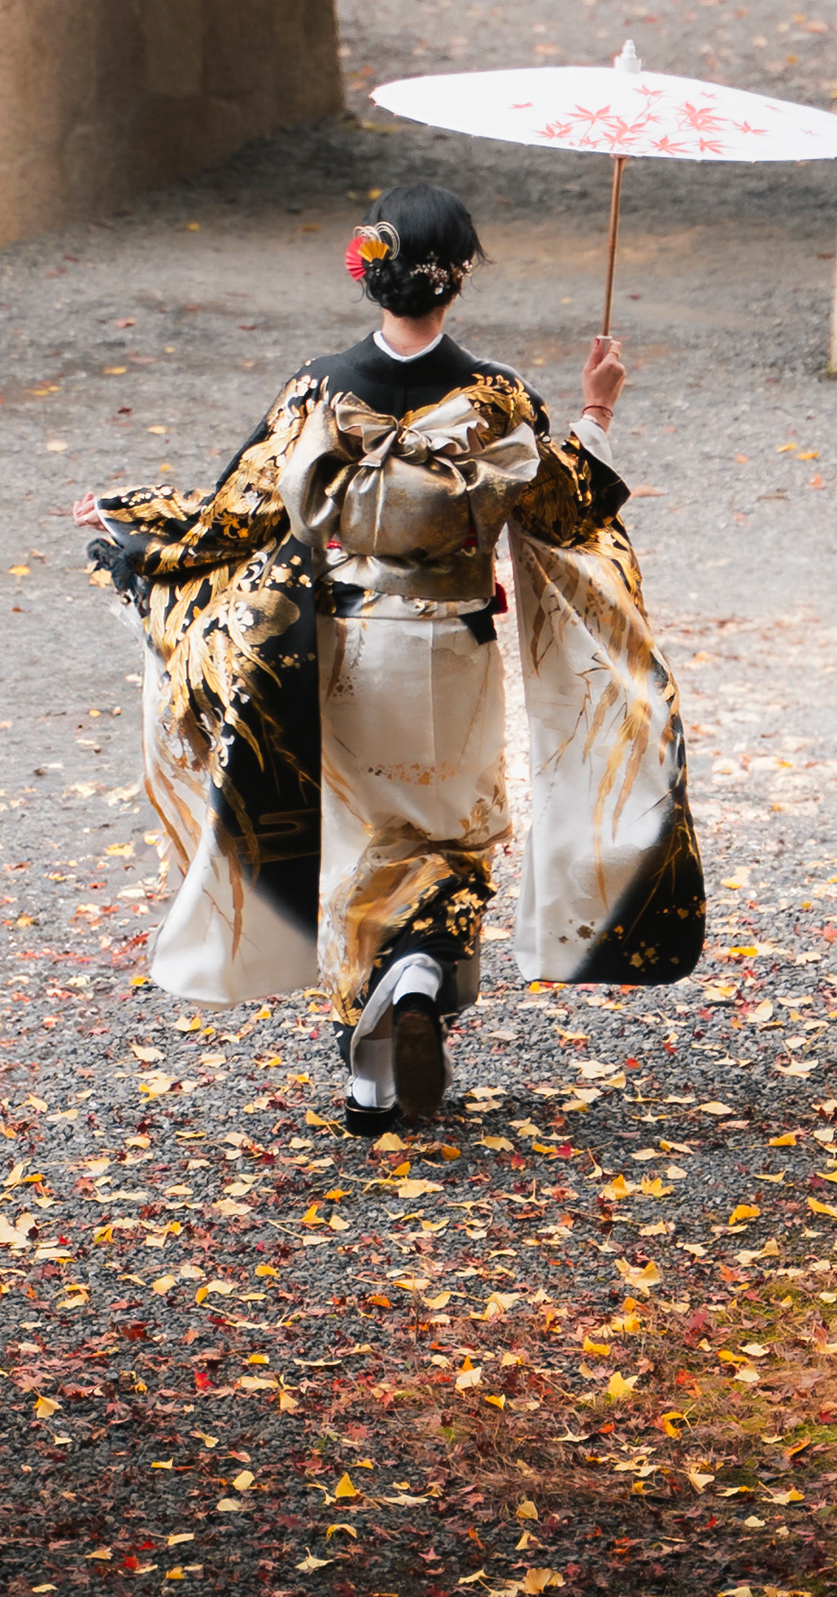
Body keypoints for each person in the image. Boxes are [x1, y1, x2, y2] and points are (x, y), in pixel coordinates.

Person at [77, 180, 706, 1132]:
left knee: (360, 844)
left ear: (372, 274)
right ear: (458, 281)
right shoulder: (496, 401)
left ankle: (369, 1072)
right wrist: (596, 407)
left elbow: (231, 519)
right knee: (447, 835)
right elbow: (570, 509)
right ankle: (417, 978)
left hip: (349, 649)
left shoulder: (317, 390)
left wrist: (129, 522)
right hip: (454, 647)